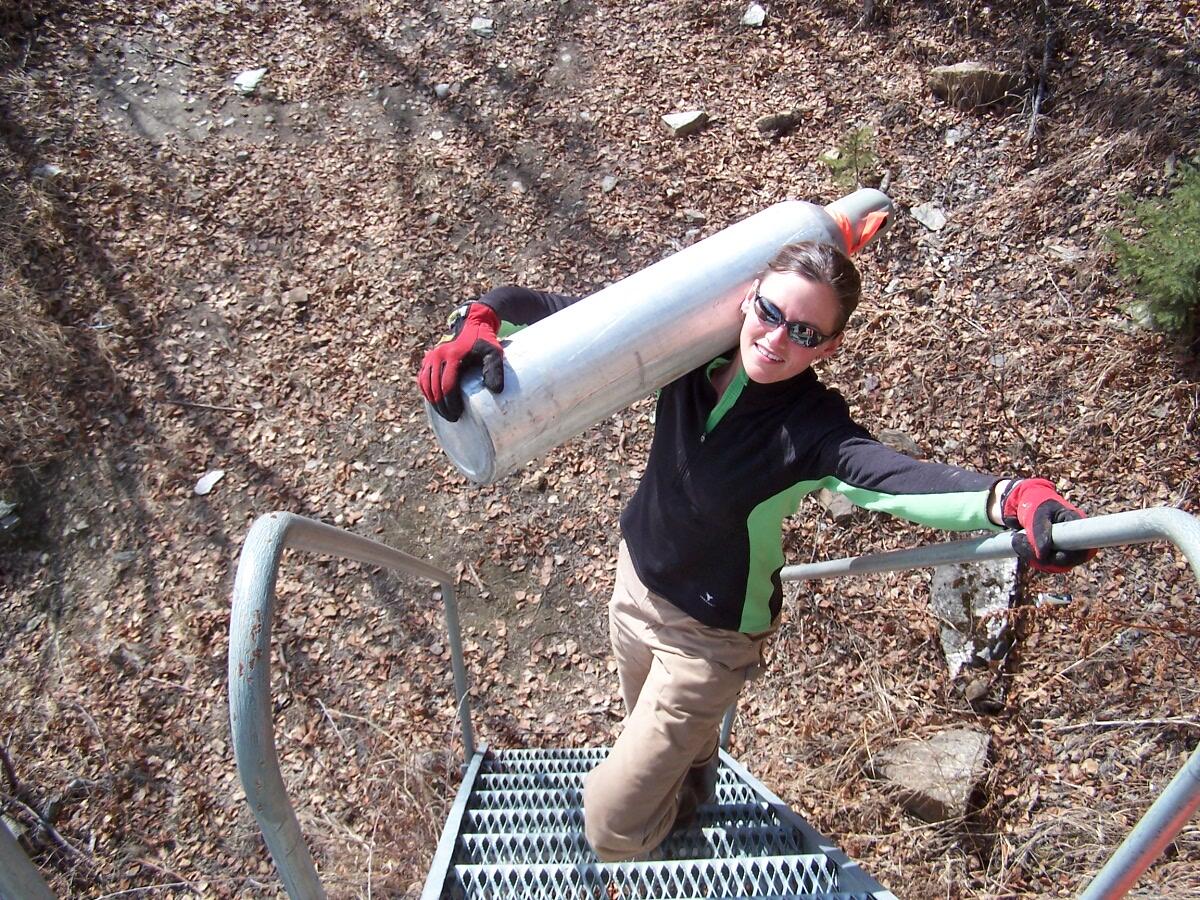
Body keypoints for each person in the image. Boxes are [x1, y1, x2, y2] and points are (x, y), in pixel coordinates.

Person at [417, 241, 1094, 861]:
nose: (775, 339)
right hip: (634, 590)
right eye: (769, 312)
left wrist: (1013, 498)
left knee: (611, 819)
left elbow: (897, 480)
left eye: (805, 333)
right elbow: (571, 324)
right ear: (748, 298)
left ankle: (644, 855)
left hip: (708, 641)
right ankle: (692, 782)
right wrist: (481, 320)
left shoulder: (812, 433)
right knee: (657, 745)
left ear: (827, 348)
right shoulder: (683, 350)